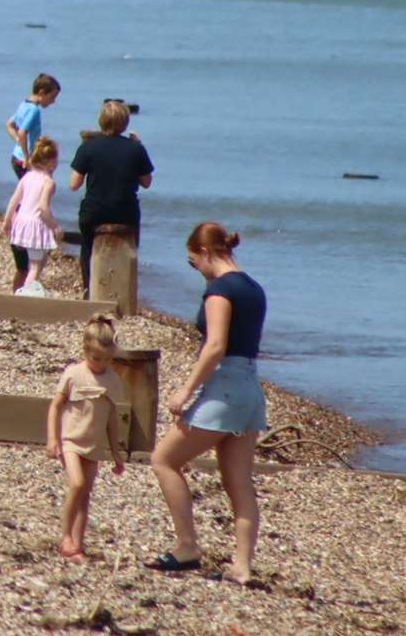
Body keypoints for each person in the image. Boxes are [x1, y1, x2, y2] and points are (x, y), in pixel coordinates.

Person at [149, 222, 267, 582]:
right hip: (249, 388)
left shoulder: (219, 290)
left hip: (224, 388)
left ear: (205, 253)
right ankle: (242, 566)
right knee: (239, 482)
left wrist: (185, 390)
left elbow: (215, 346)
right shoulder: (253, 287)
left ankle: (187, 546)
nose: (195, 270)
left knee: (164, 460)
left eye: (192, 262)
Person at [47, 314, 128, 561]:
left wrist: (115, 450)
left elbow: (112, 417)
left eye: (106, 359)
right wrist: (53, 439)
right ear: (85, 350)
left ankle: (77, 544)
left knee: (85, 495)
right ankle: (65, 536)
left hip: (94, 446)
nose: (100, 364)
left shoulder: (112, 379)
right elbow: (55, 406)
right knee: (77, 484)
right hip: (71, 440)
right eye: (96, 358)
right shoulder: (74, 373)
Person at [69, 99, 154, 298]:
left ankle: (89, 289)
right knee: (130, 244)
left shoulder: (89, 146)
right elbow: (147, 182)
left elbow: (74, 184)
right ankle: (124, 289)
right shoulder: (135, 148)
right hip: (125, 212)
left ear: (101, 121)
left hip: (94, 211)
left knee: (87, 248)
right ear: (125, 123)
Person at [4, 72, 62, 282]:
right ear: (41, 92)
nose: (53, 102)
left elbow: (10, 125)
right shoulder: (35, 110)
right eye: (52, 97)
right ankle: (30, 230)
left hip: (17, 156)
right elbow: (21, 132)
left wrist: (20, 149)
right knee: (34, 195)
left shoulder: (23, 104)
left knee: (25, 193)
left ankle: (22, 225)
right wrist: (27, 155)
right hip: (24, 159)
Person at [4, 137, 65, 294]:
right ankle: (26, 295)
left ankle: (29, 290)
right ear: (51, 162)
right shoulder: (48, 182)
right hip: (35, 225)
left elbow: (14, 200)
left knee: (38, 260)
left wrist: (7, 220)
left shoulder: (27, 177)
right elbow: (43, 207)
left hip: (21, 223)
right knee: (35, 266)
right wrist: (55, 227)